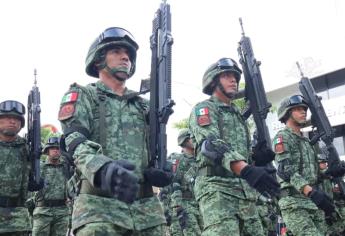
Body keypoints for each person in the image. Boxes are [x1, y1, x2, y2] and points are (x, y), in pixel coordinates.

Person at [58, 27, 168, 235]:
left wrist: (162, 170)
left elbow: (152, 148)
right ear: (99, 60)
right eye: (116, 52)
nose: (125, 57)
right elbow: (75, 141)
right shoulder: (83, 95)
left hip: (147, 211)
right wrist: (102, 168)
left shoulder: (144, 106)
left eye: (127, 54)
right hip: (98, 207)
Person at [188, 58, 280, 235]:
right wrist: (246, 169)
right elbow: (211, 145)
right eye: (227, 76)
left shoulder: (237, 114)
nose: (233, 80)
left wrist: (255, 157)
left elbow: (240, 153)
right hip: (216, 188)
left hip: (244, 191)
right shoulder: (204, 108)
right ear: (213, 81)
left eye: (235, 77)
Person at [273, 95, 336, 236]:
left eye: (304, 109)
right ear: (287, 113)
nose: (303, 112)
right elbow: (286, 171)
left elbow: (314, 173)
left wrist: (331, 172)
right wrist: (310, 191)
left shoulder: (307, 142)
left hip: (312, 202)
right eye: (298, 109)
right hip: (293, 202)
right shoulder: (282, 137)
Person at [0, 100, 42, 235]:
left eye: (17, 119)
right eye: (7, 118)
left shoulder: (28, 148)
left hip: (18, 217)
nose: (12, 121)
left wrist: (35, 180)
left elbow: (32, 176)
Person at [31, 136, 70, 236]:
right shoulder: (39, 167)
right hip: (43, 211)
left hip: (62, 211)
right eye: (53, 148)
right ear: (47, 151)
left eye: (58, 148)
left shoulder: (66, 167)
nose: (56, 151)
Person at [169, 129, 203, 236]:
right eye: (191, 137)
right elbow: (173, 183)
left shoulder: (201, 160)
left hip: (201, 206)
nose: (195, 139)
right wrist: (177, 207)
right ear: (184, 141)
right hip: (185, 205)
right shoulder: (178, 159)